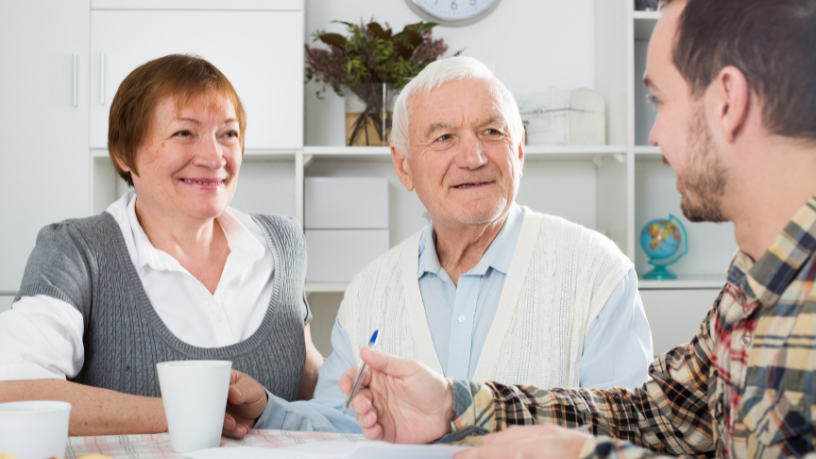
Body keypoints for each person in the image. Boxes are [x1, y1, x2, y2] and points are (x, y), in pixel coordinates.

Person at [338, 0, 816, 457]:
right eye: (443, 137)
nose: (653, 135)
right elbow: (658, 414)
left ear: (728, 102)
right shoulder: (752, 282)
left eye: (659, 100)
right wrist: (455, 405)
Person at [251, 56, 653, 432]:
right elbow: (338, 421)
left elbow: (630, 427)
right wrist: (263, 408)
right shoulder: (369, 291)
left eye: (491, 132)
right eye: (444, 137)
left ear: (519, 149)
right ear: (403, 165)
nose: (473, 156)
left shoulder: (597, 273)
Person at [0, 54, 324, 437]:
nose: (214, 157)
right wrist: (189, 414)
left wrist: (367, 391)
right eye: (185, 133)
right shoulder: (76, 251)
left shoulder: (282, 243)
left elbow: (307, 383)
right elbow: (12, 392)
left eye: (229, 134)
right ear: (124, 152)